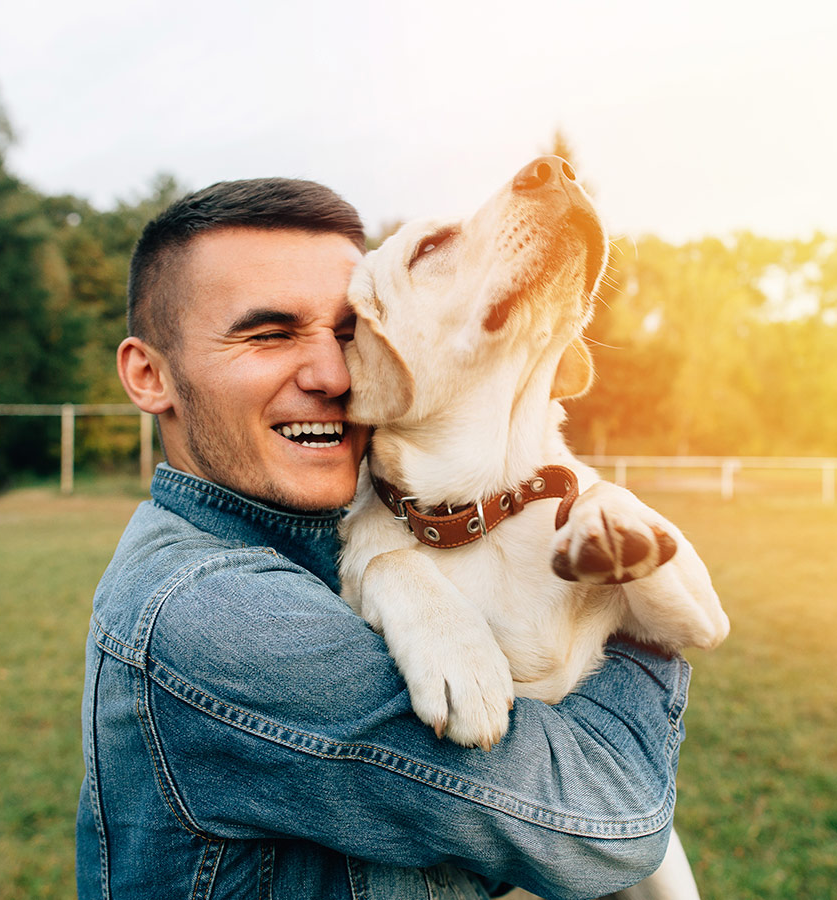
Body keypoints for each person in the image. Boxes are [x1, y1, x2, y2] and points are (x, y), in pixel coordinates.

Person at [76, 177, 691, 900]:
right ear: (148, 375)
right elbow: (605, 820)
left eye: (347, 332)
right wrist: (642, 604)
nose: (335, 374)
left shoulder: (348, 539)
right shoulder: (210, 616)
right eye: (269, 334)